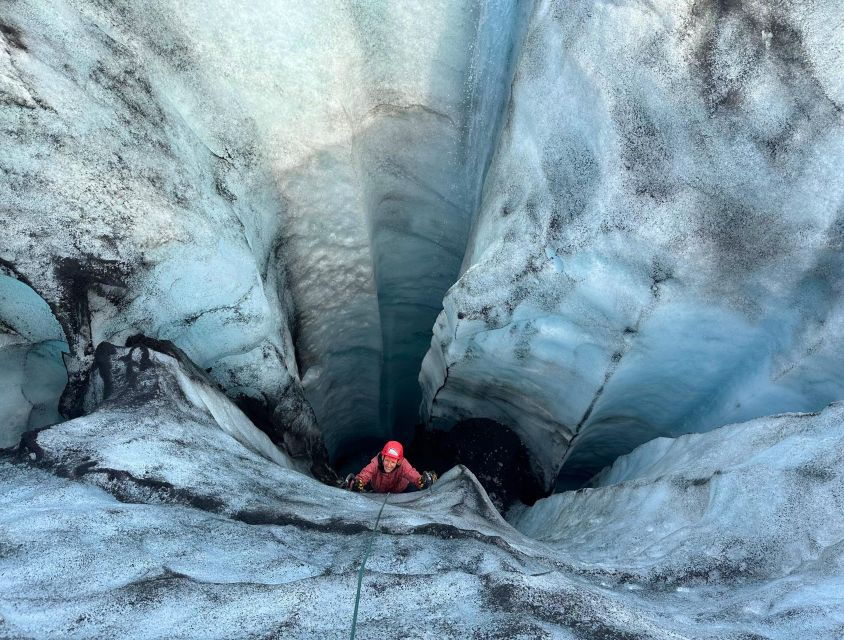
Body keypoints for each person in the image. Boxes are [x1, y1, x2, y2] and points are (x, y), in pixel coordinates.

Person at [344, 440, 437, 493]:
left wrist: (421, 481)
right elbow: (366, 473)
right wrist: (357, 483)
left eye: (392, 462)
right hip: (378, 491)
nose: (389, 465)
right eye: (387, 460)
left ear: (398, 461)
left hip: (401, 491)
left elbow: (411, 474)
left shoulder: (403, 464)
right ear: (382, 457)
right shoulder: (376, 463)